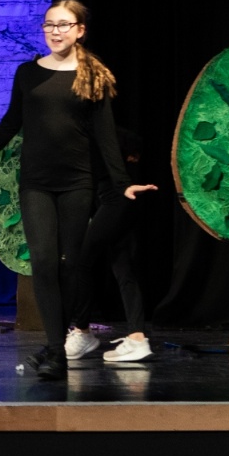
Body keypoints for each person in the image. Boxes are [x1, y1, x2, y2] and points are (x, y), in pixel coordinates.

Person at [0, 0, 156, 381]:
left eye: (63, 25)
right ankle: (56, 350)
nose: (55, 31)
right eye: (49, 25)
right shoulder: (28, 73)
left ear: (80, 30)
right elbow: (10, 123)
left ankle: (65, 340)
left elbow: (106, 137)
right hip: (36, 184)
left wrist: (122, 185)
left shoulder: (91, 77)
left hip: (76, 184)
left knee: (71, 264)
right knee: (42, 261)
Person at [67, 126, 152, 363]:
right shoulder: (102, 136)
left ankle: (82, 331)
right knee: (124, 269)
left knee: (83, 263)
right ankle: (137, 338)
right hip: (121, 203)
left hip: (116, 203)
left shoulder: (101, 136)